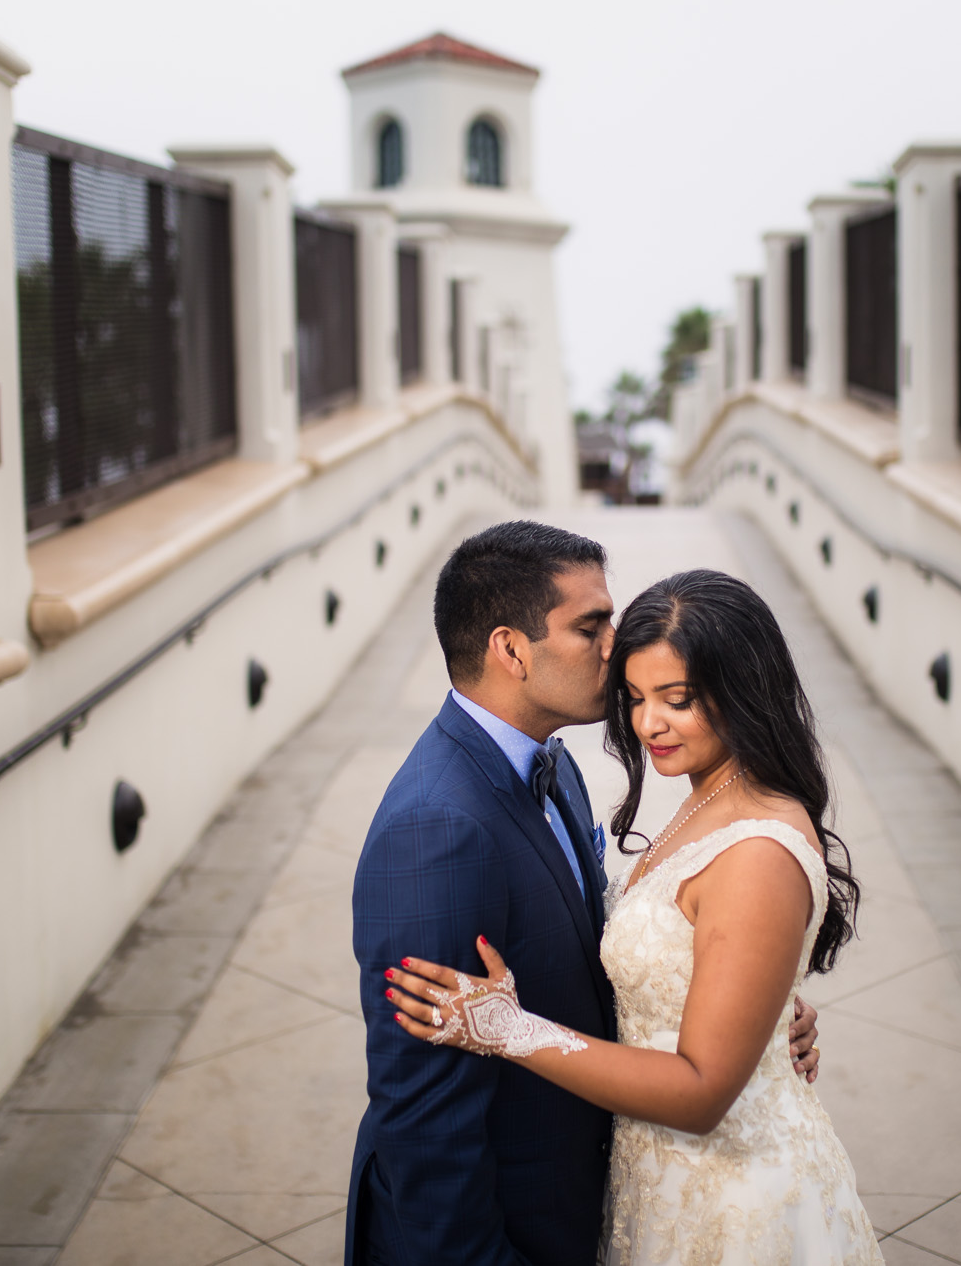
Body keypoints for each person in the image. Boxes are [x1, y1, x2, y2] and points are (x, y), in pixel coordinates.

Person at [347, 527, 820, 1265]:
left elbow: (605, 953)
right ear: (511, 649)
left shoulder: (555, 766)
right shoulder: (436, 826)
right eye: (591, 626)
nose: (615, 643)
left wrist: (744, 1006)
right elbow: (423, 1115)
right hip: (502, 1230)